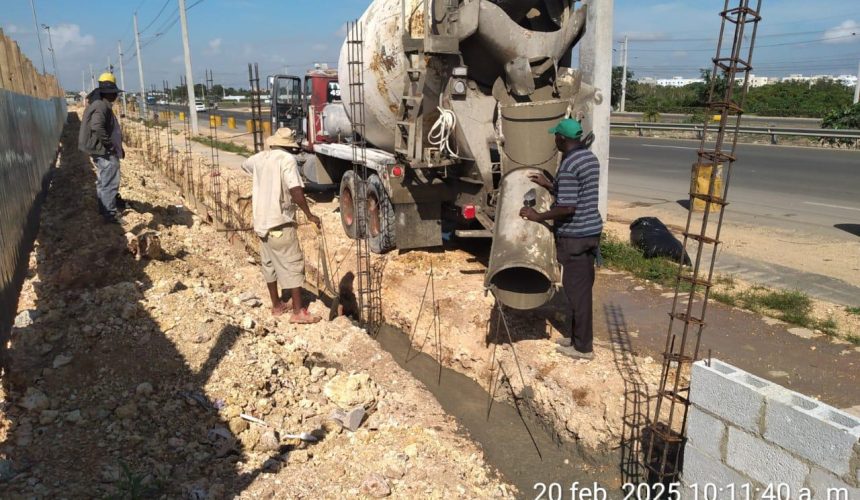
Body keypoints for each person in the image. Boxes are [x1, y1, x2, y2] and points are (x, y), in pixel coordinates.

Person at [519, 118, 603, 361]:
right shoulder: (588, 158)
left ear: (562, 139)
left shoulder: (568, 165)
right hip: (590, 233)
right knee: (581, 289)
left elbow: (567, 208)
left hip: (575, 236)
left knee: (577, 294)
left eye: (556, 136)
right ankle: (576, 338)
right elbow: (577, 192)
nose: (554, 139)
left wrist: (537, 216)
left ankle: (583, 348)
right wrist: (550, 184)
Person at [241, 127, 322, 324]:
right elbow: (295, 190)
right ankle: (298, 312)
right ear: (290, 146)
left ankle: (277, 306)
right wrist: (309, 215)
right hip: (279, 223)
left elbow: (245, 165)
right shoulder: (287, 160)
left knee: (269, 265)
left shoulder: (259, 158)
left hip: (261, 223)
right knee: (292, 264)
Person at [78, 73, 125, 223]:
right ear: (108, 93)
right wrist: (109, 145)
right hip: (102, 149)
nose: (116, 96)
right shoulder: (100, 106)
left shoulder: (99, 103)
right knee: (110, 180)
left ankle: (104, 208)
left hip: (100, 148)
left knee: (104, 179)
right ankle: (109, 213)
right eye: (114, 93)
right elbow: (97, 126)